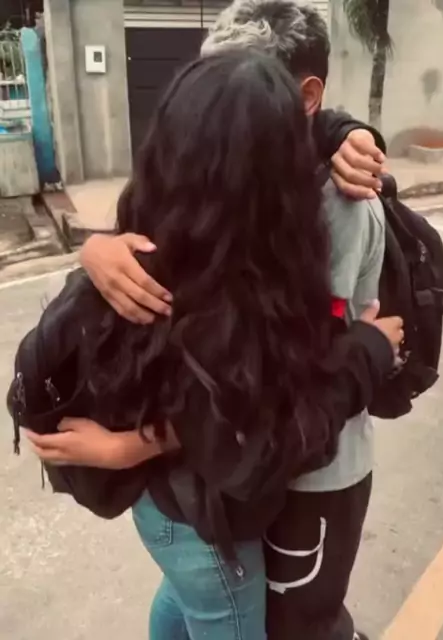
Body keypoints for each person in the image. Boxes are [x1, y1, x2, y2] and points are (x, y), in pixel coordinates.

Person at [16, 50, 402, 640]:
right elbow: (256, 441)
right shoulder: (235, 294)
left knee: (181, 604)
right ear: (271, 179)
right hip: (198, 523)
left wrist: (345, 132)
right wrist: (367, 352)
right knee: (215, 610)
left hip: (165, 509)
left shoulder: (152, 231)